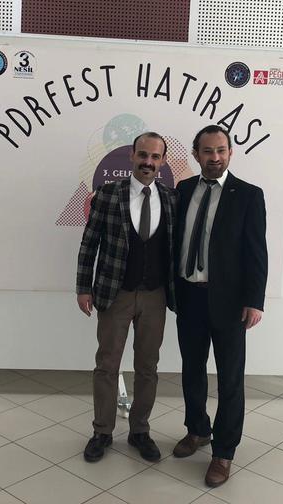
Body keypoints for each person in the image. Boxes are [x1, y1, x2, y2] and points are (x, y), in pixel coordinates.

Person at [172, 125, 267, 488]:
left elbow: (256, 252)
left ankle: (224, 452)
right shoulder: (183, 190)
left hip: (229, 303)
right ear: (196, 154)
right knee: (192, 370)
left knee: (230, 379)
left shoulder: (249, 195)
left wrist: (254, 301)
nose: (215, 157)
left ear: (230, 152)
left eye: (221, 150)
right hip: (189, 297)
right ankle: (198, 430)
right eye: (208, 151)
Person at [76, 132, 178, 463]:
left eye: (155, 157)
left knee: (148, 367)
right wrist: (83, 287)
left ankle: (140, 431)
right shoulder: (108, 194)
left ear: (163, 161)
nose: (148, 162)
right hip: (114, 293)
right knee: (107, 365)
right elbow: (89, 243)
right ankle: (102, 432)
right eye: (143, 155)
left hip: (155, 296)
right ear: (132, 156)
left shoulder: (172, 199)